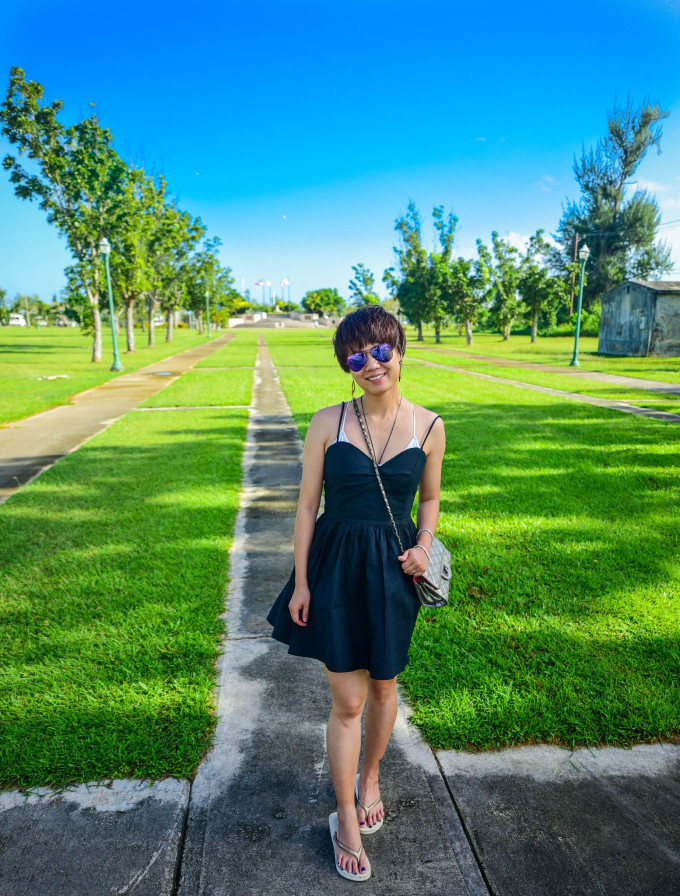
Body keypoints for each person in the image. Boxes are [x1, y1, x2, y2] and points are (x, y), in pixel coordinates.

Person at [267, 306, 445, 882]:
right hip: (337, 569)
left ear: (400, 351)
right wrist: (301, 582)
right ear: (347, 366)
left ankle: (371, 777)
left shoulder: (430, 427)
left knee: (385, 687)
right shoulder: (328, 422)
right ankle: (344, 815)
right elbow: (306, 507)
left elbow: (429, 499)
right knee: (348, 702)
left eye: (382, 351)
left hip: (393, 572)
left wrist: (425, 545)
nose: (372, 364)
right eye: (357, 357)